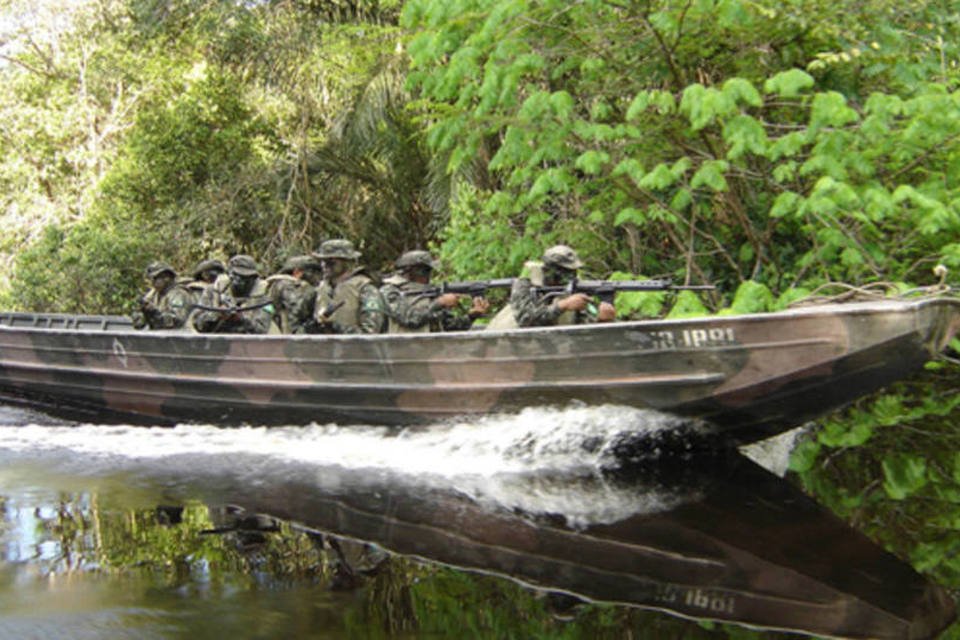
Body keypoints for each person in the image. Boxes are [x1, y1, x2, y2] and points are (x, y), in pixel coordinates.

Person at [492, 245, 616, 329]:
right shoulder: (525, 284)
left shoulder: (573, 289)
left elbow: (581, 329)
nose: (570, 277)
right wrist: (563, 305)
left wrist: (601, 320)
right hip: (509, 346)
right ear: (550, 270)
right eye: (564, 271)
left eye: (572, 272)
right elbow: (526, 319)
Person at [381, 250, 489, 333]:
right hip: (401, 354)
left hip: (432, 353)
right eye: (425, 271)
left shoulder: (428, 293)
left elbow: (449, 328)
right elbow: (410, 318)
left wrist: (471, 316)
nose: (428, 277)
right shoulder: (390, 290)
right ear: (411, 271)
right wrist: (440, 303)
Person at [309, 239, 385, 334]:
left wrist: (336, 327)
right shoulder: (321, 287)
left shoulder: (365, 288)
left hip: (353, 347)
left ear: (347, 262)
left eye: (331, 262)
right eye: (322, 261)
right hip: (323, 347)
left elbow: (371, 333)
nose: (324, 265)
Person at [191, 254, 275, 334]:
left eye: (248, 278)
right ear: (230, 276)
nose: (243, 282)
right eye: (239, 277)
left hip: (248, 346)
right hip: (215, 344)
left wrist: (241, 319)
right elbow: (197, 323)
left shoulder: (264, 298)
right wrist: (218, 314)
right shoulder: (212, 292)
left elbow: (261, 330)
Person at [265, 255, 322, 333]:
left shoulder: (277, 284)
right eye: (313, 272)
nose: (317, 277)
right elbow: (298, 310)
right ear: (297, 273)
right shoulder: (286, 284)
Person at [131, 261, 194, 330]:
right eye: (151, 279)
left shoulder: (179, 294)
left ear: (167, 277)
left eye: (155, 278)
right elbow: (139, 325)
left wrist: (155, 314)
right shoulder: (153, 295)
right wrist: (142, 314)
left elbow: (178, 320)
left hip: (178, 337)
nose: (152, 282)